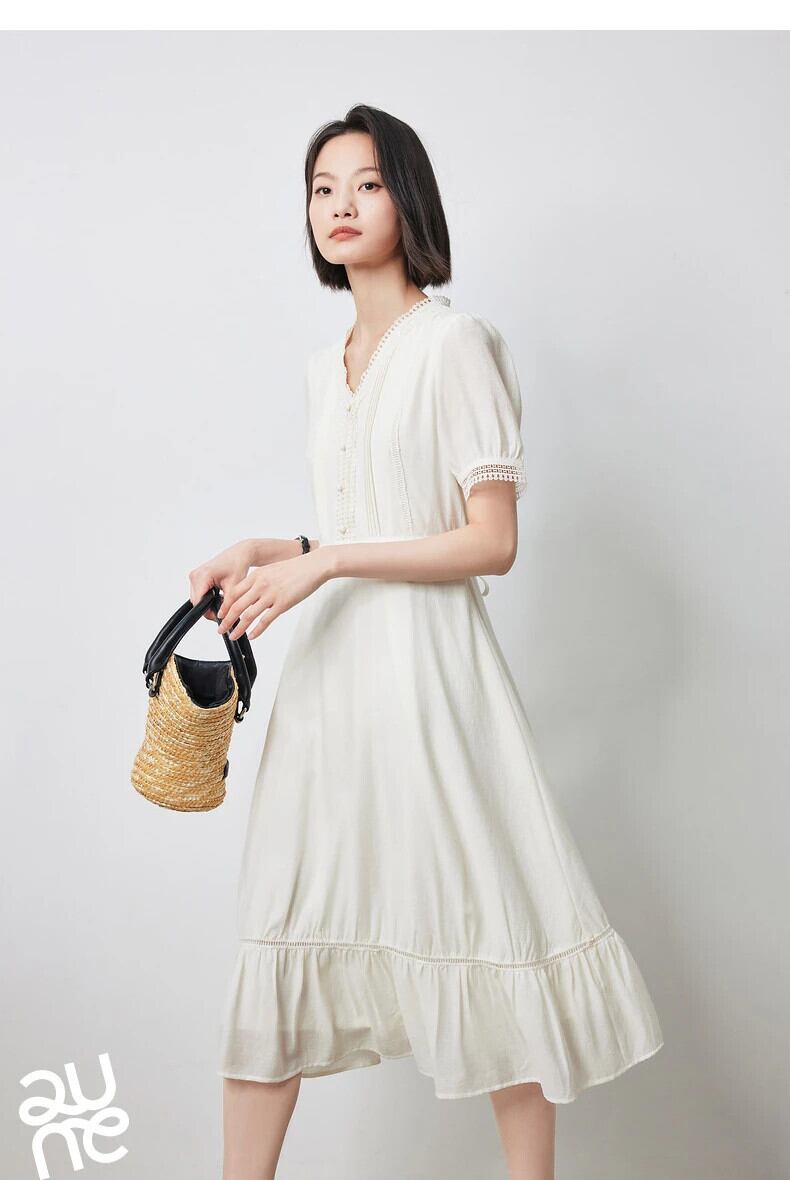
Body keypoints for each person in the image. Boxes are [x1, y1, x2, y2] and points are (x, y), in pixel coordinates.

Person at [189, 104, 664, 1180]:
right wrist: (278, 549)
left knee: (487, 933)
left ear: (407, 197)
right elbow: (366, 522)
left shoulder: (456, 345)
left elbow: (490, 542)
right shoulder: (325, 367)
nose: (340, 205)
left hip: (432, 682)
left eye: (365, 183)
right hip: (331, 688)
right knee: (282, 931)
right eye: (321, 188)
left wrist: (325, 564)